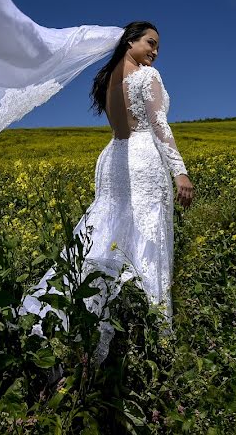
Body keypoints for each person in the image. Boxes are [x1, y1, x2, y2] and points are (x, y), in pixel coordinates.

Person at [19, 21, 193, 360]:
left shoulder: (110, 79)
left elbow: (120, 129)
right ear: (130, 41)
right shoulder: (147, 77)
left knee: (105, 230)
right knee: (146, 233)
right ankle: (155, 333)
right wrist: (180, 171)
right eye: (150, 43)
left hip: (113, 157)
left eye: (158, 47)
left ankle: (70, 312)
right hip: (142, 158)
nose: (155, 52)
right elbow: (158, 124)